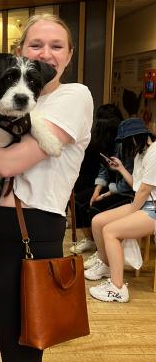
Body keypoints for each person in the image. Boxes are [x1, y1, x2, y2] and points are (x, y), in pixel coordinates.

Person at [0, 14, 94, 362]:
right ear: (19, 52)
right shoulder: (15, 94)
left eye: (56, 46)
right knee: (11, 348)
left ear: (69, 55)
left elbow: (9, 162)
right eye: (36, 45)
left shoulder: (72, 97)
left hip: (32, 234)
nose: (46, 53)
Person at [84, 118, 156, 303]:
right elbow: (137, 186)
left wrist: (131, 211)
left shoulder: (154, 153)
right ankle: (108, 266)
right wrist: (121, 168)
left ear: (134, 139)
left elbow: (145, 191)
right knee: (98, 221)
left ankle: (117, 288)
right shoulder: (143, 153)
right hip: (144, 203)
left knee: (110, 231)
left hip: (152, 208)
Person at [72, 104, 125, 255]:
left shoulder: (122, 142)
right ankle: (91, 240)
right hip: (109, 184)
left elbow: (126, 180)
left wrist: (103, 194)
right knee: (77, 201)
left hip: (122, 188)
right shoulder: (102, 140)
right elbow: (103, 170)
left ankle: (101, 250)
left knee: (95, 208)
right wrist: (97, 190)